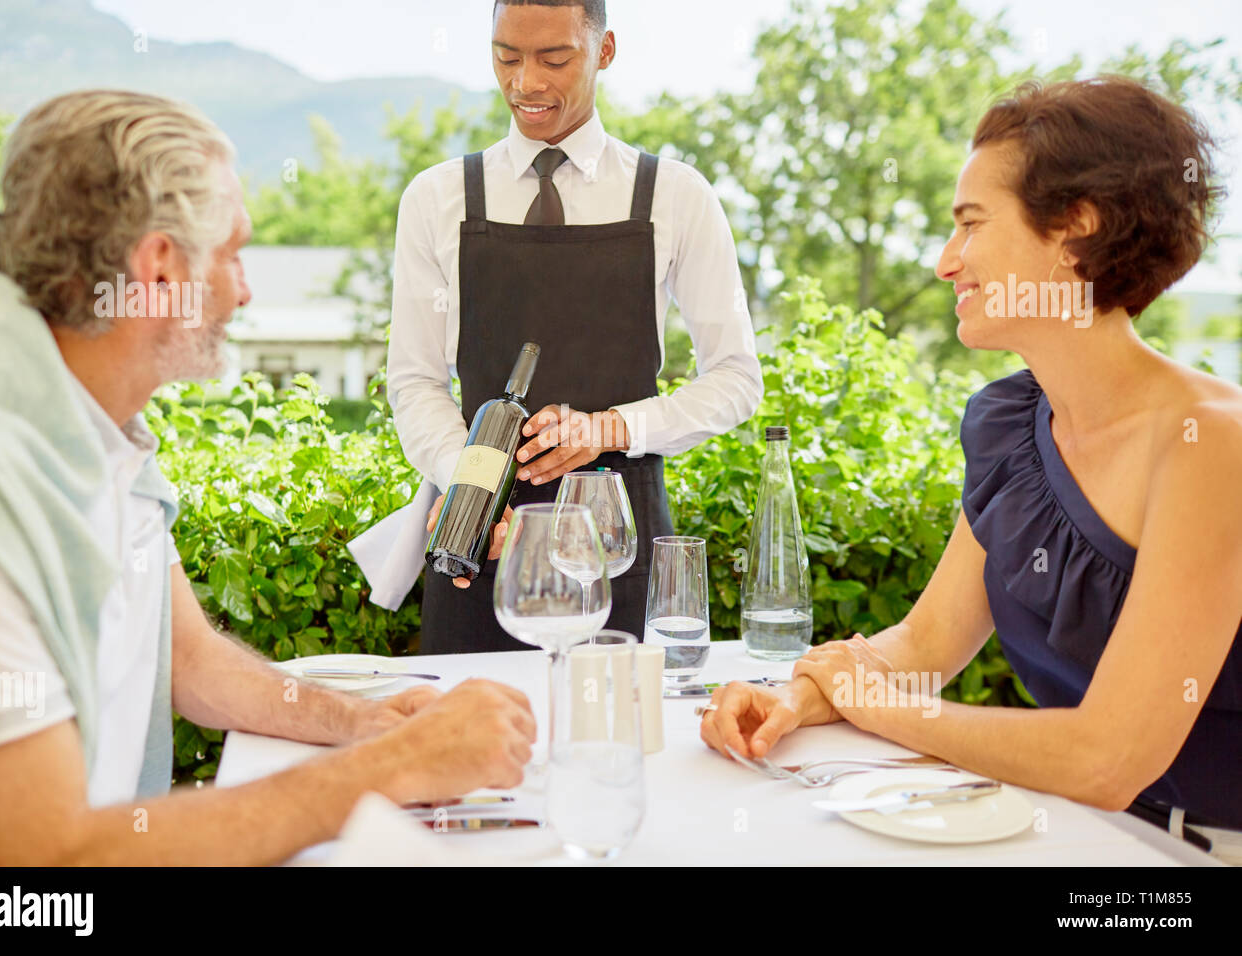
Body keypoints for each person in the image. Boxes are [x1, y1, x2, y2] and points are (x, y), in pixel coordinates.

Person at [0, 90, 536, 866]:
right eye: (232, 253)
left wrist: (363, 723)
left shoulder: (86, 418)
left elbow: (188, 659)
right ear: (158, 270)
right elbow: (44, 866)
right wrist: (391, 770)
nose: (245, 289)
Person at [701, 76, 1242, 862]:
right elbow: (924, 645)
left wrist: (875, 706)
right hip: (1079, 835)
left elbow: (1107, 759)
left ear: (1074, 232)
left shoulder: (1210, 446)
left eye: (970, 225)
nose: (946, 262)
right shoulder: (1010, 424)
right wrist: (797, 698)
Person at [386, 0, 763, 653]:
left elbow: (735, 380)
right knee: (474, 747)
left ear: (605, 51)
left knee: (614, 746)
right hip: (480, 542)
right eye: (506, 55)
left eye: (553, 58)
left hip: (619, 543)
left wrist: (611, 427)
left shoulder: (676, 196)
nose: (525, 83)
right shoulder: (435, 198)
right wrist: (465, 484)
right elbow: (416, 382)